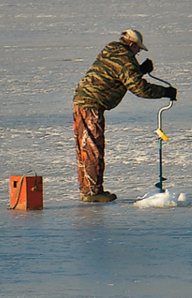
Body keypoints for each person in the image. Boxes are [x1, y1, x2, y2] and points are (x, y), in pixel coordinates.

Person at [72, 28, 177, 202]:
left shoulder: (112, 49)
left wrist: (140, 69)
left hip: (83, 101)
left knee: (86, 148)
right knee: (92, 148)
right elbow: (140, 89)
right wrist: (166, 92)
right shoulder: (125, 59)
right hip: (91, 104)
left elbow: (117, 75)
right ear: (131, 44)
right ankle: (92, 192)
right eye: (138, 49)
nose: (138, 53)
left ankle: (88, 190)